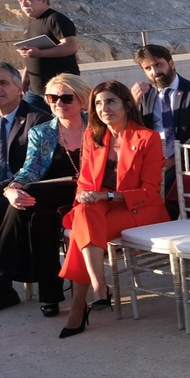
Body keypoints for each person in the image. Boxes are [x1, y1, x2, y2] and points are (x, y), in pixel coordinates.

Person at [58, 80, 169, 338]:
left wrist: (107, 194)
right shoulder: (92, 137)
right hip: (98, 210)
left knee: (80, 233)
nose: (103, 108)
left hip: (139, 211)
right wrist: (87, 195)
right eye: (98, 103)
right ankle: (98, 286)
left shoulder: (147, 138)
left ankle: (80, 305)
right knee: (86, 215)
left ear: (126, 105)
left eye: (110, 101)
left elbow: (149, 191)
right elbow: (84, 180)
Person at [0, 63, 52, 313]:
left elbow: (32, 168)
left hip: (24, 189)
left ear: (20, 88)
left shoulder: (39, 119)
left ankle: (1, 290)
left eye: (3, 82)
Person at [129, 45, 190, 201]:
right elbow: (132, 129)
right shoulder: (145, 95)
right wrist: (132, 103)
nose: (154, 72)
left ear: (171, 63)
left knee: (163, 190)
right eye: (148, 68)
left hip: (185, 160)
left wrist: (173, 160)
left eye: (158, 65)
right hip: (151, 159)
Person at [14, 0, 81, 100]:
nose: (24, 5)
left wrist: (39, 53)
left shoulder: (56, 19)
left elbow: (71, 46)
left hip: (60, 89)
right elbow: (33, 51)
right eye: (21, 1)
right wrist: (25, 76)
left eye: (28, 0)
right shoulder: (31, 21)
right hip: (35, 89)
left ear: (43, 0)